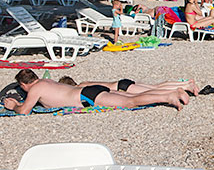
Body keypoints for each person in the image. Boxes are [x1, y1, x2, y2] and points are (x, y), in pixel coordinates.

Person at [3, 69, 192, 113]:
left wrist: (14, 106)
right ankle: (171, 93)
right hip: (89, 91)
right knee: (134, 96)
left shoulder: (35, 89)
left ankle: (170, 96)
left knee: (130, 102)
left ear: (23, 85)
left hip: (86, 96)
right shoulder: (46, 80)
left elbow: (25, 111)